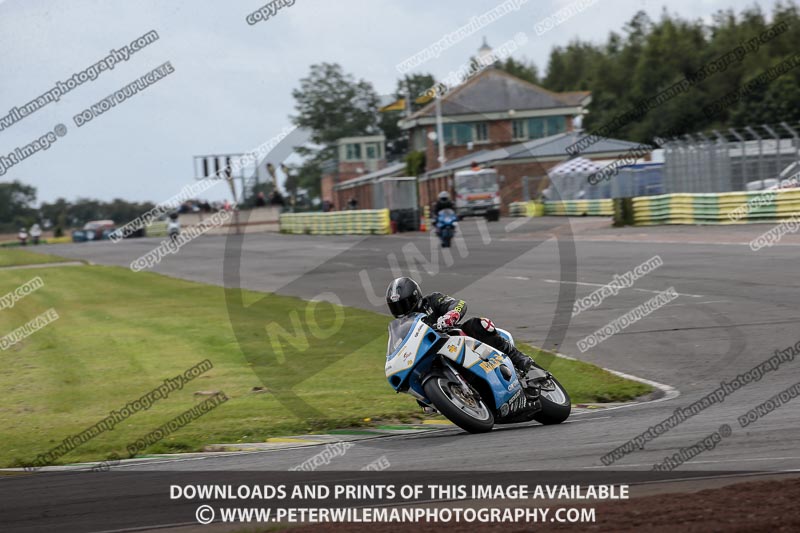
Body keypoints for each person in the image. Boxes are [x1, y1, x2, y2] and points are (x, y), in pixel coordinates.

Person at [384, 277, 534, 376]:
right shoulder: (403, 326)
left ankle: (516, 357)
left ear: (415, 296)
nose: (401, 310)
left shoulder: (432, 300)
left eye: (403, 304)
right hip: (432, 353)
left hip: (456, 339)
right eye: (396, 307)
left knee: (478, 324)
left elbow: (458, 303)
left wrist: (451, 315)